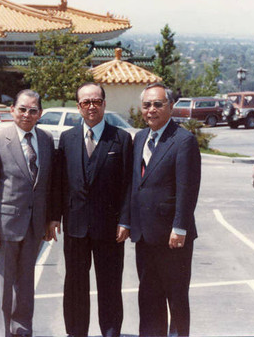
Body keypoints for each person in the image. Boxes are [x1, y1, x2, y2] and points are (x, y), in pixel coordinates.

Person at [49, 82, 133, 337]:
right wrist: (54, 217)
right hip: (75, 228)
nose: (91, 106)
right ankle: (76, 333)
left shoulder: (120, 138)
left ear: (104, 104)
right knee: (74, 286)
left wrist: (126, 220)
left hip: (110, 228)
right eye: (86, 102)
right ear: (78, 107)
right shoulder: (67, 138)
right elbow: (58, 182)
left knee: (109, 286)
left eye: (96, 101)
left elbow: (129, 184)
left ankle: (110, 332)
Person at [0, 89, 56, 337]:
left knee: (26, 283)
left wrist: (48, 221)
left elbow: (48, 185)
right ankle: (0, 331)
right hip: (4, 226)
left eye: (33, 110)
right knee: (3, 284)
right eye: (22, 109)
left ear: (40, 114)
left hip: (34, 226)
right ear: (12, 110)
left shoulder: (45, 140)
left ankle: (22, 328)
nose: (27, 114)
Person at [130, 83, 201, 337]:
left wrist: (179, 227)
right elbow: (136, 185)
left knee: (177, 297)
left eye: (158, 104)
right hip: (144, 236)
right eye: (147, 105)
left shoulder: (183, 141)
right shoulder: (139, 138)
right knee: (148, 296)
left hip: (173, 238)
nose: (151, 110)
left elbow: (188, 189)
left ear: (170, 107)